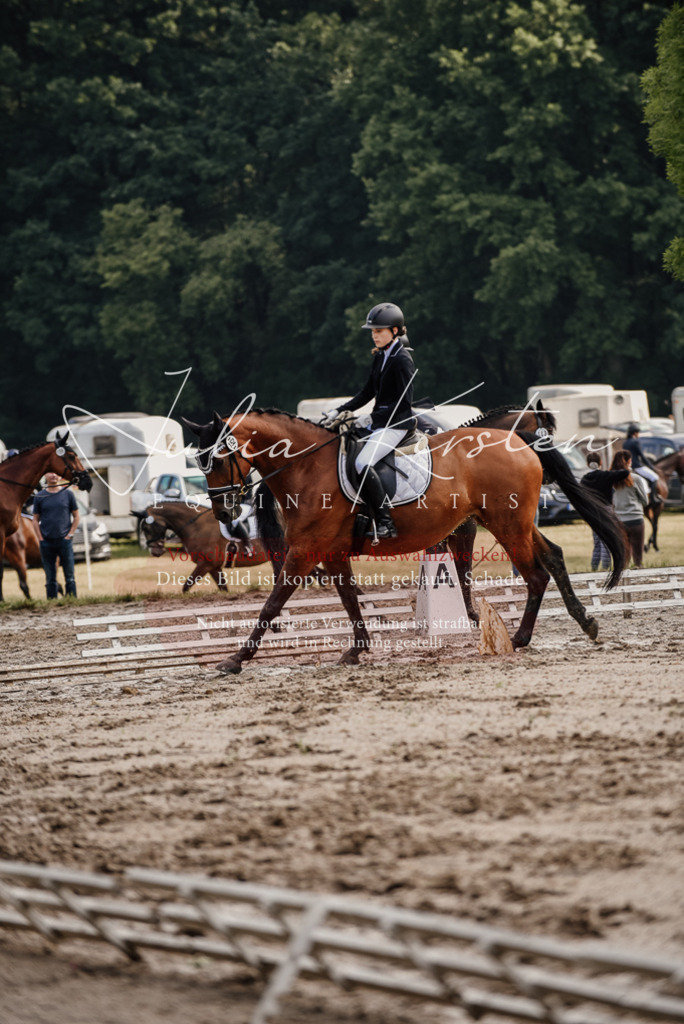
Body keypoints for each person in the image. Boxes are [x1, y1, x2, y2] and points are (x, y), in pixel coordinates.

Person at [325, 302, 417, 540]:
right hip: (380, 423)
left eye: (379, 331)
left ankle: (386, 522)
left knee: (362, 462)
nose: (374, 335)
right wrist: (339, 411)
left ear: (394, 331)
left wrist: (370, 418)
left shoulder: (402, 360)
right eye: (373, 332)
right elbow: (367, 393)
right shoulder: (381, 357)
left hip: (397, 424)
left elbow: (402, 403)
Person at [32, 472, 80, 598]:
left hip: (64, 541)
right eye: (50, 473)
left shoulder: (68, 494)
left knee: (69, 576)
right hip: (46, 542)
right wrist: (40, 538)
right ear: (45, 476)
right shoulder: (40, 496)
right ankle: (52, 602)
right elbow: (35, 519)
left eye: (56, 473)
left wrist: (69, 535)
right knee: (50, 577)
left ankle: (72, 600)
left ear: (60, 476)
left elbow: (76, 516)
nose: (53, 475)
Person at [582, 452, 629, 571]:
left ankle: (594, 567)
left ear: (587, 464)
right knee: (606, 541)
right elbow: (625, 473)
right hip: (606, 510)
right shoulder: (605, 475)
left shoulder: (585, 479)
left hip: (593, 512)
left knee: (597, 541)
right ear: (601, 463)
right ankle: (605, 567)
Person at [610, 450, 648, 568]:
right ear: (629, 461)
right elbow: (645, 501)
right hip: (636, 519)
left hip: (619, 520)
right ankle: (638, 567)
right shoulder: (635, 478)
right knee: (638, 555)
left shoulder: (611, 479)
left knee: (624, 553)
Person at [622, 424, 659, 502]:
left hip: (628, 467)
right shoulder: (635, 441)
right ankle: (653, 498)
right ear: (635, 433)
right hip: (637, 466)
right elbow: (642, 456)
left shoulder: (625, 443)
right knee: (654, 477)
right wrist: (651, 466)